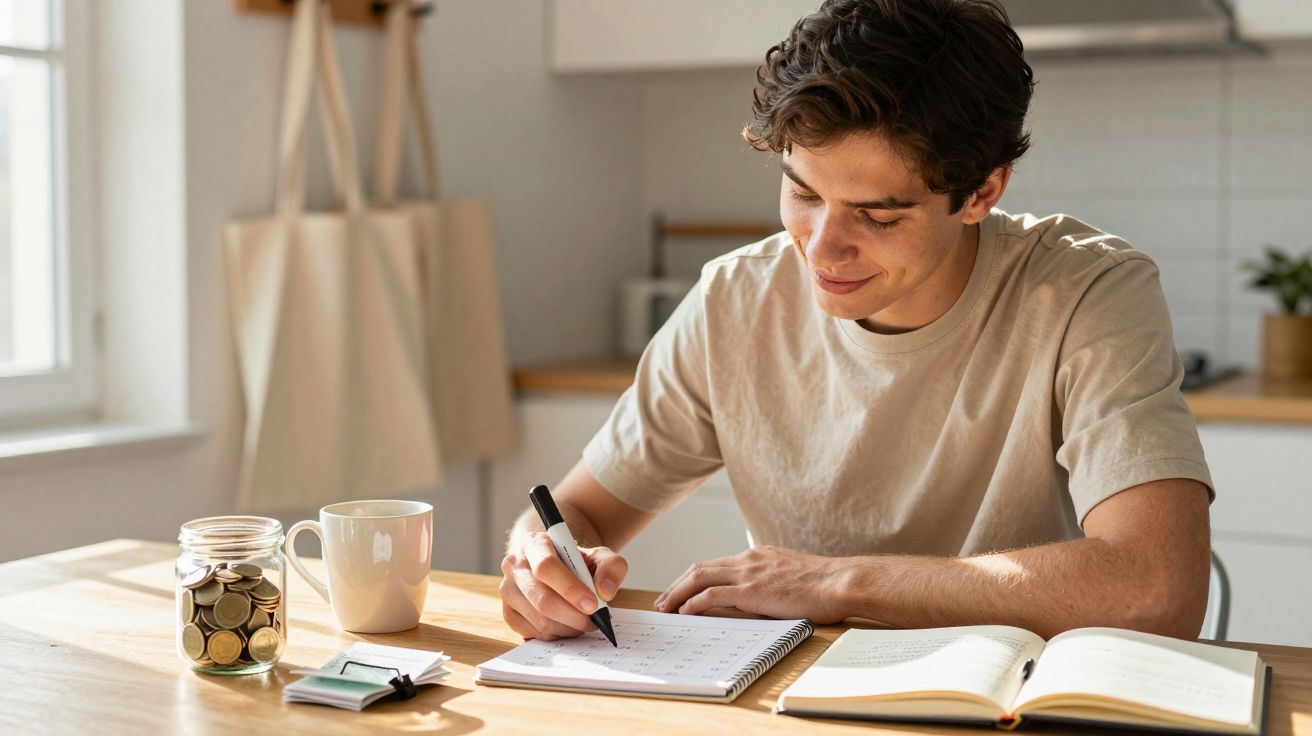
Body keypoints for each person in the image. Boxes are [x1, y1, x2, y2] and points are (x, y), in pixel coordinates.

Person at [499, 0, 1214, 642]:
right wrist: (541, 563)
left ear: (982, 191)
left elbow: (1156, 588)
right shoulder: (733, 300)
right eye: (802, 192)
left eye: (877, 214)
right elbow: (574, 513)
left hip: (1013, 703)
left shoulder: (1086, 291)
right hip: (790, 702)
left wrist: (836, 584)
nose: (821, 245)